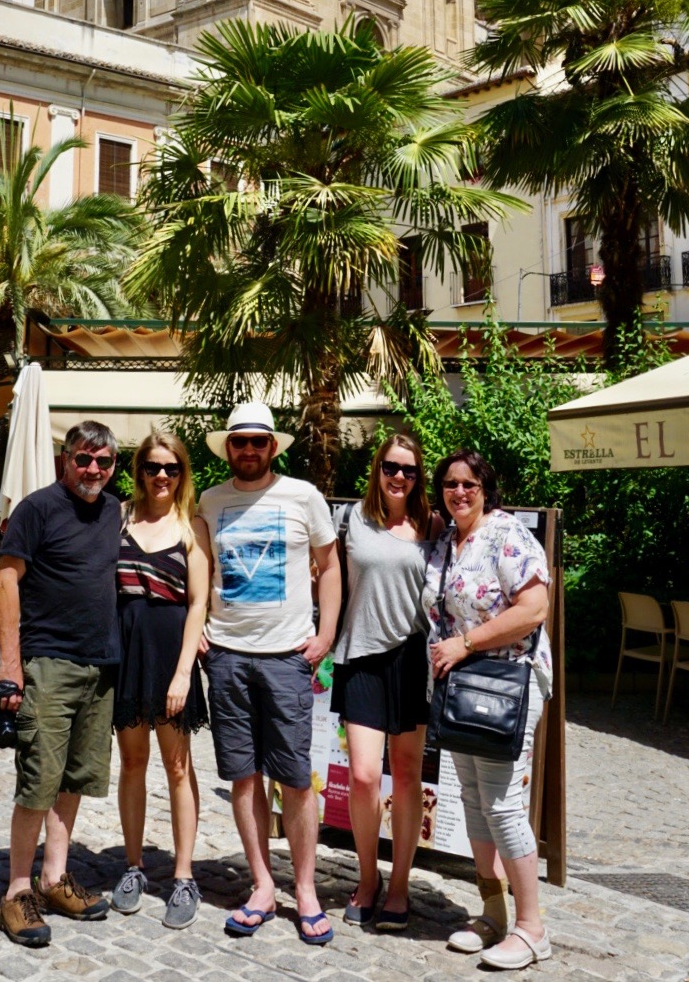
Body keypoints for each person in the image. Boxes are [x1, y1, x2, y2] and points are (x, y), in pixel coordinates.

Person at [195, 402, 340, 946]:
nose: (249, 450)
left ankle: (304, 889)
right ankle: (261, 885)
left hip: (285, 657)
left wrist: (325, 635)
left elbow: (330, 567)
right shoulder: (210, 501)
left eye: (259, 441)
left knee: (296, 778)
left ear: (273, 446)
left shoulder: (303, 495)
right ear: (228, 448)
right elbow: (199, 568)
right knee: (243, 774)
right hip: (227, 656)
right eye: (240, 442)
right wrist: (198, 629)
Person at [423, 449, 553, 971]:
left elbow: (535, 607)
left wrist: (468, 643)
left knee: (501, 804)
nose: (459, 492)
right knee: (474, 799)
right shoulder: (449, 542)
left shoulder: (507, 535)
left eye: (469, 484)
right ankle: (493, 913)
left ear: (486, 488)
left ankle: (532, 928)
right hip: (462, 688)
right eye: (450, 484)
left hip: (508, 684)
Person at [0, 420, 121, 948]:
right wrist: (10, 665)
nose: (94, 469)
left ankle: (55, 878)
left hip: (101, 667)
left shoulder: (114, 510)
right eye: (84, 459)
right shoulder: (37, 509)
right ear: (65, 459)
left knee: (74, 780)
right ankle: (16, 892)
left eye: (105, 461)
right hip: (48, 665)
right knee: (38, 781)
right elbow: (5, 580)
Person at [332, 434, 443, 931]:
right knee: (362, 776)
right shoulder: (351, 519)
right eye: (392, 467)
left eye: (411, 470)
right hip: (360, 656)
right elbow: (326, 576)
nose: (400, 477)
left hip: (411, 660)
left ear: (420, 477)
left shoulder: (431, 525)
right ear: (377, 469)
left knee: (406, 775)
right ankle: (367, 876)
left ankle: (399, 884)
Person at [111, 432, 209, 929]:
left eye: (171, 467)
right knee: (132, 763)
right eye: (152, 467)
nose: (162, 476)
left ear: (182, 472)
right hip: (127, 654)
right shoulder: (120, 520)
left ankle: (184, 876)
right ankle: (133, 867)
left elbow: (197, 604)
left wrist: (184, 673)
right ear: (140, 470)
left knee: (177, 767)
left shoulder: (191, 530)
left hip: (171, 654)